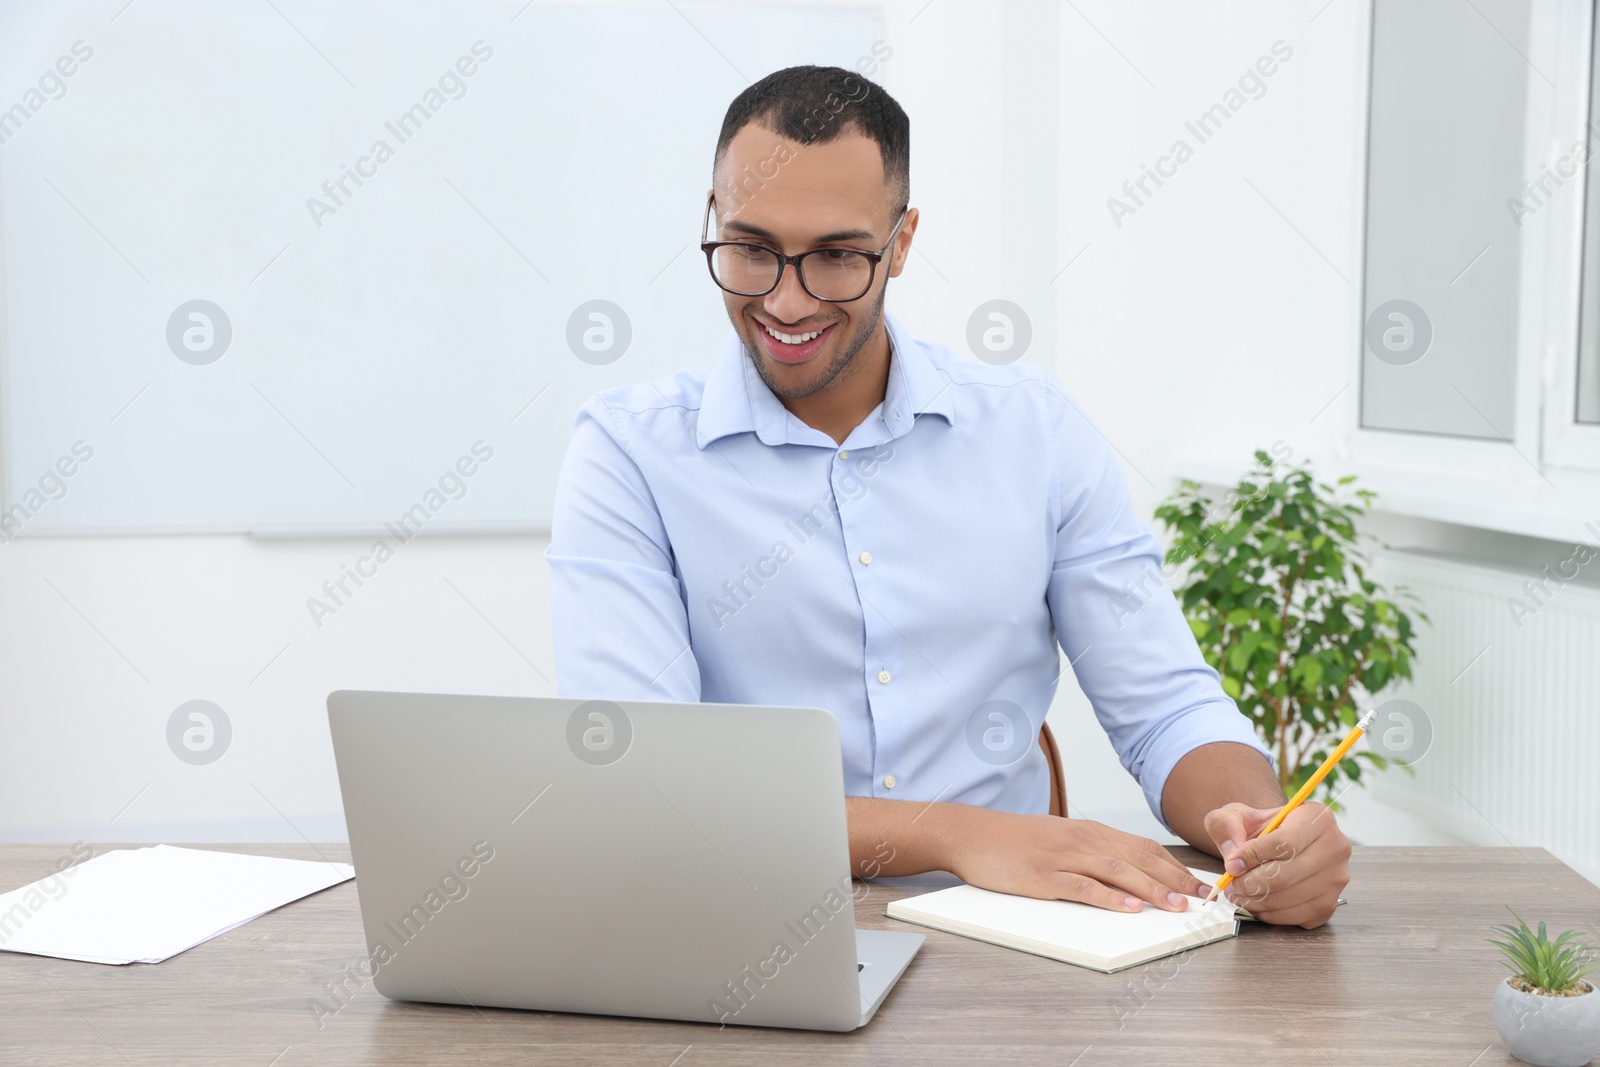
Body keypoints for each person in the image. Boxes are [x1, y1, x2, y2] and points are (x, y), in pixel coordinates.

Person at [548, 65, 1350, 928]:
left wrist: (1258, 827)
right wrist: (960, 835)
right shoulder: (628, 454)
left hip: (1009, 947)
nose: (785, 299)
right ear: (713, 220)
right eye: (751, 249)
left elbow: (1167, 707)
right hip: (740, 932)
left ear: (900, 242)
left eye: (837, 256)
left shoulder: (1033, 432)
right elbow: (648, 783)